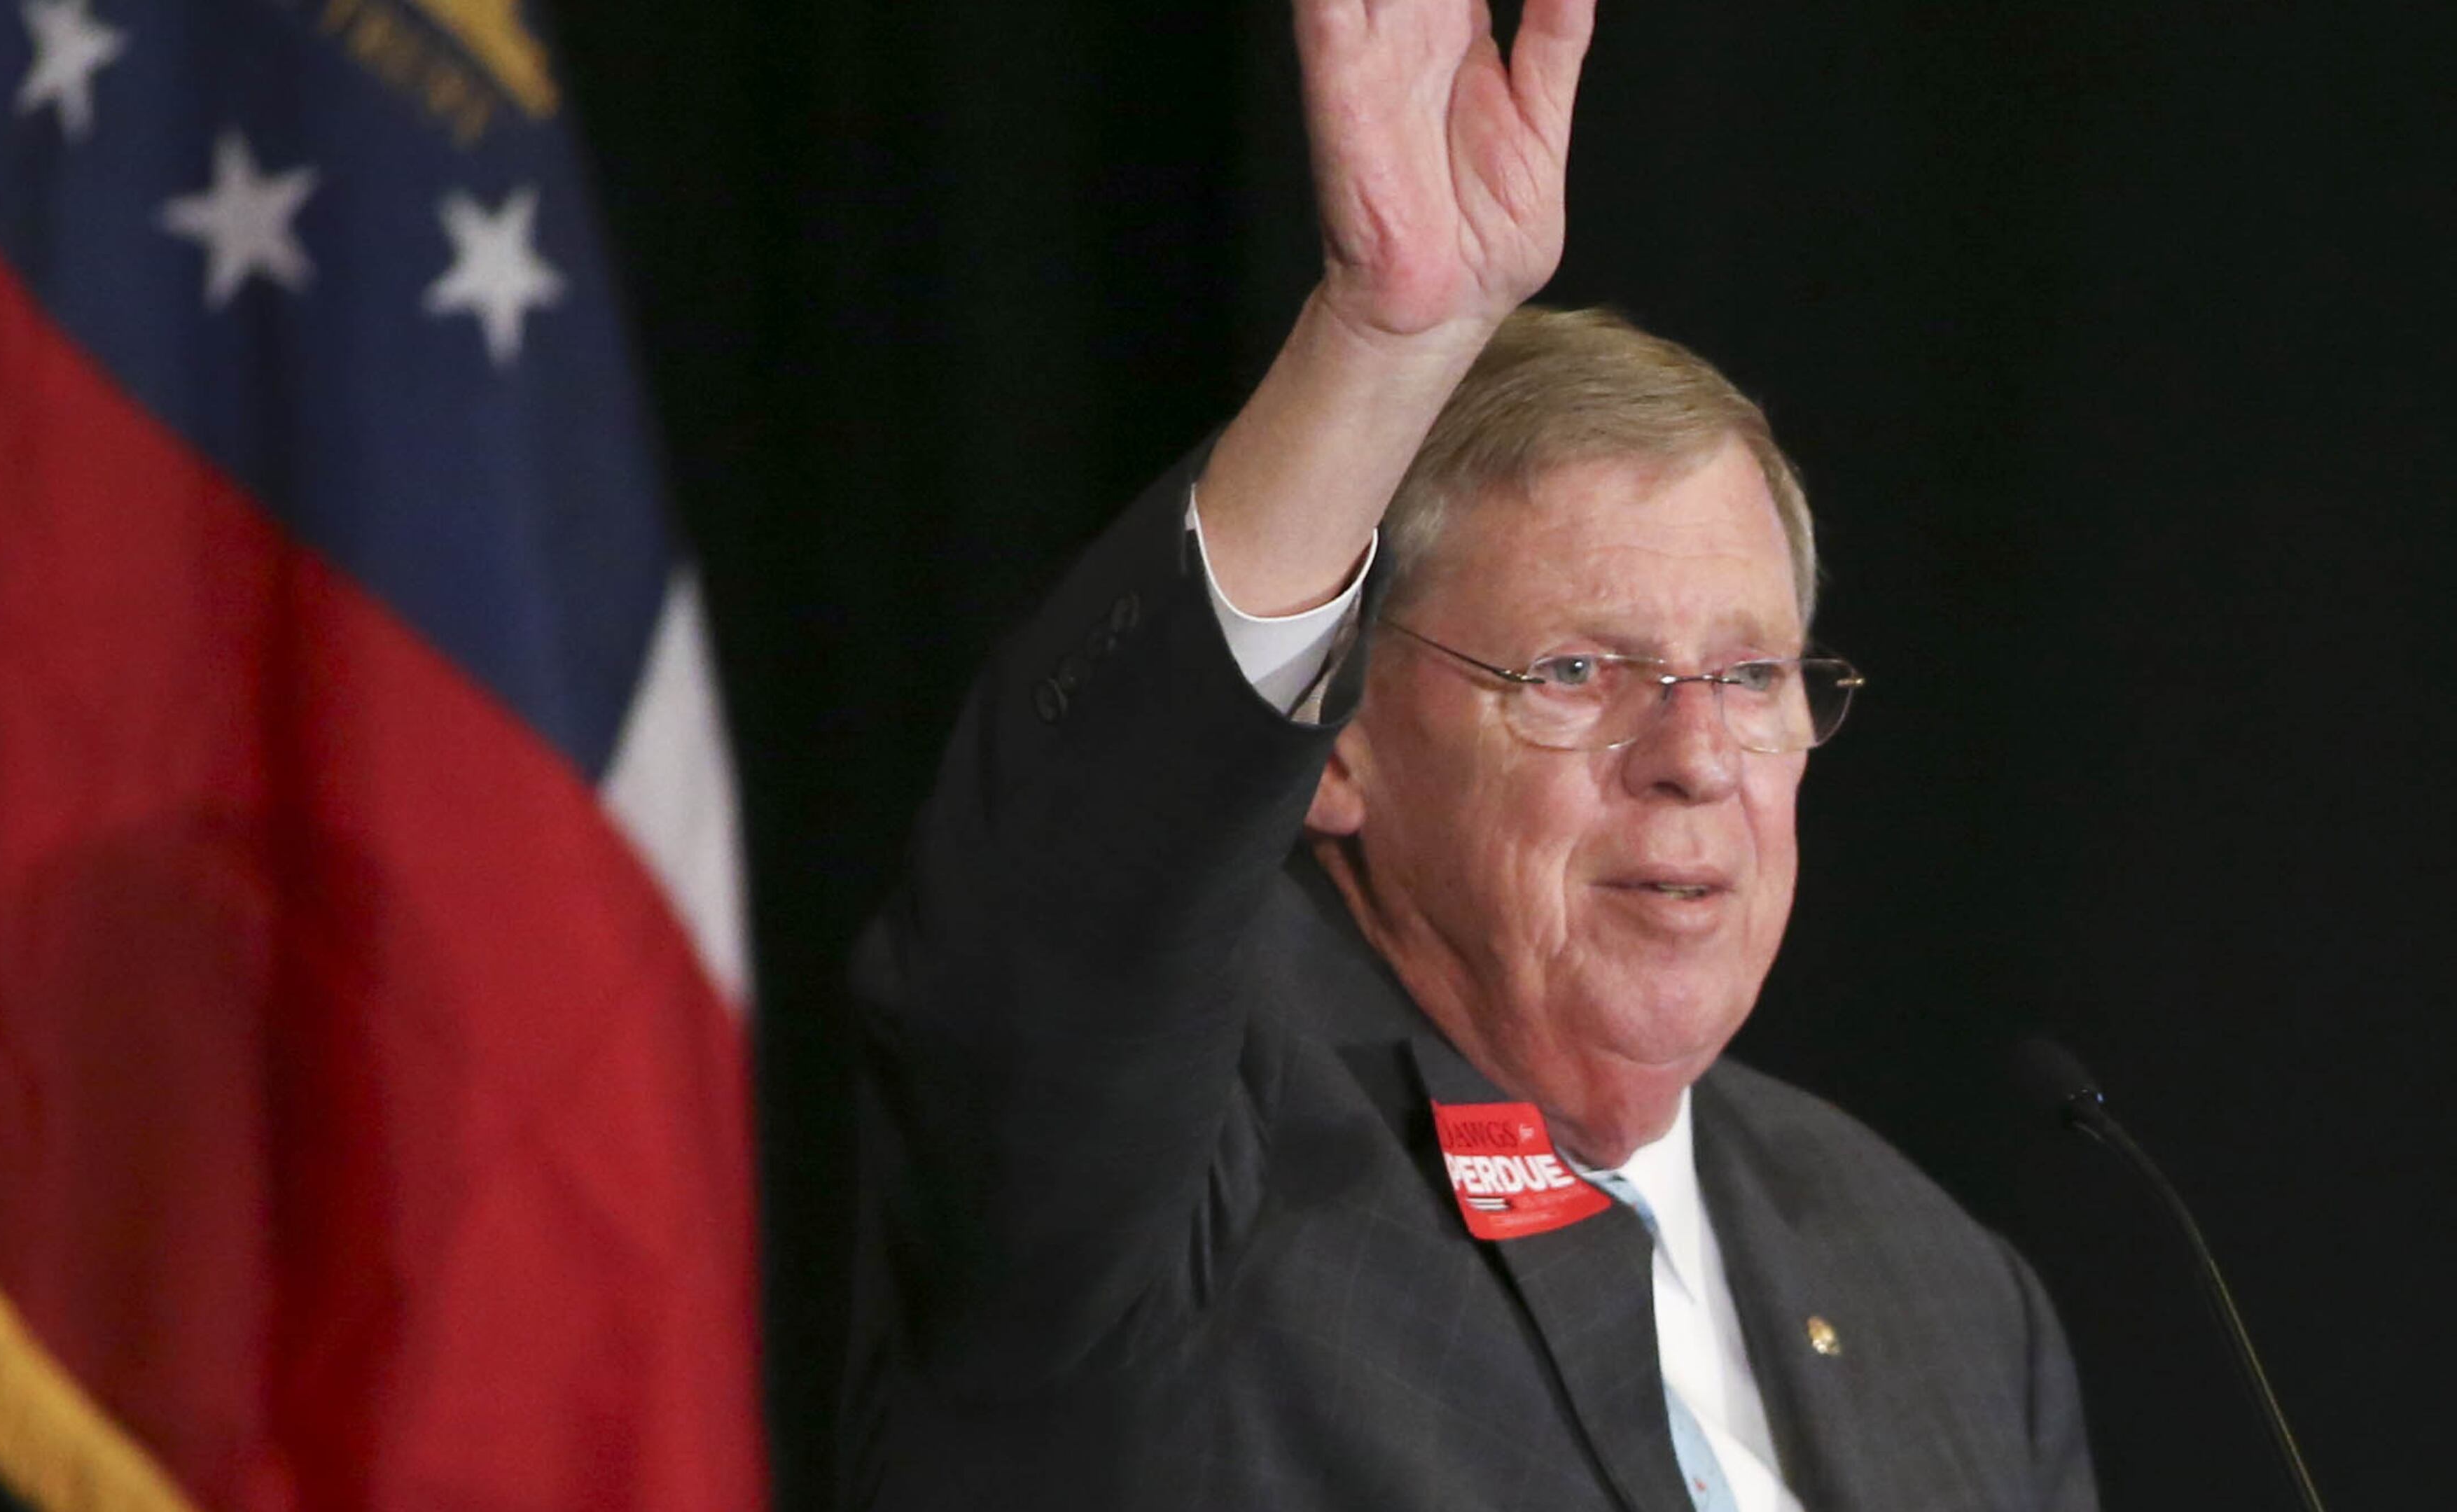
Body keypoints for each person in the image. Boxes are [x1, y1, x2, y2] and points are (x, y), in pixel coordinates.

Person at [842, 1, 2097, 1506]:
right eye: (1577, 672)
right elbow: (1061, 911)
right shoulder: (1186, 1191)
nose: (1696, 758)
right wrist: (1387, 347)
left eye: (1751, 673)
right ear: (1341, 736)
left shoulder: (1940, 1288)